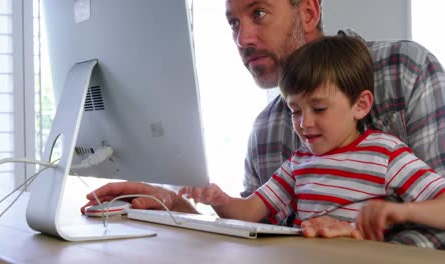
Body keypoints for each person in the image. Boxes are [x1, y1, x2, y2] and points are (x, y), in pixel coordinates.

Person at [81, 0, 445, 247]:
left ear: (308, 11)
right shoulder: (272, 137)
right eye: (234, 22)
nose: (243, 39)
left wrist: (373, 230)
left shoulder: (403, 72)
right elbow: (251, 230)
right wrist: (177, 209)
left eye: (258, 13)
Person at [179, 35, 445, 243]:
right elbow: (250, 212)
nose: (305, 123)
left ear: (361, 105)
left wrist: (403, 212)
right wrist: (219, 200)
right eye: (295, 111)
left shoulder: (385, 154)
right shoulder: (298, 163)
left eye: (319, 109)